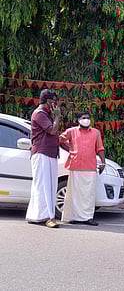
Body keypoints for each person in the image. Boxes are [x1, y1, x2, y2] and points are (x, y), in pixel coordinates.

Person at [59, 111, 106, 226]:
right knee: (74, 194)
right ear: (78, 120)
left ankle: (88, 217)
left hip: (90, 167)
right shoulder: (71, 131)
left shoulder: (96, 133)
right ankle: (73, 217)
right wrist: (70, 150)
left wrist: (103, 163)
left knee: (88, 194)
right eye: (83, 117)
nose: (86, 119)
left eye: (88, 118)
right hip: (75, 166)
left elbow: (100, 148)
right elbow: (59, 140)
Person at [26, 89, 61, 228]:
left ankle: (38, 215)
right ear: (48, 101)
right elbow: (52, 130)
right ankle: (48, 217)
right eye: (54, 101)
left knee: (47, 186)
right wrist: (57, 116)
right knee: (45, 186)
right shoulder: (39, 114)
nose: (56, 104)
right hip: (42, 153)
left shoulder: (45, 114)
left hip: (48, 153)